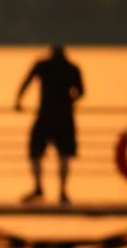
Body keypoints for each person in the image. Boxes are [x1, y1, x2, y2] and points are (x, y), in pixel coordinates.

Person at [14, 44, 84, 205]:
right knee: (64, 154)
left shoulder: (42, 66)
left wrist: (18, 101)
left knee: (35, 152)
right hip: (65, 117)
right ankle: (62, 192)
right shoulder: (72, 68)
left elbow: (26, 82)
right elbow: (81, 91)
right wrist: (69, 101)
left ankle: (39, 187)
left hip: (45, 115)